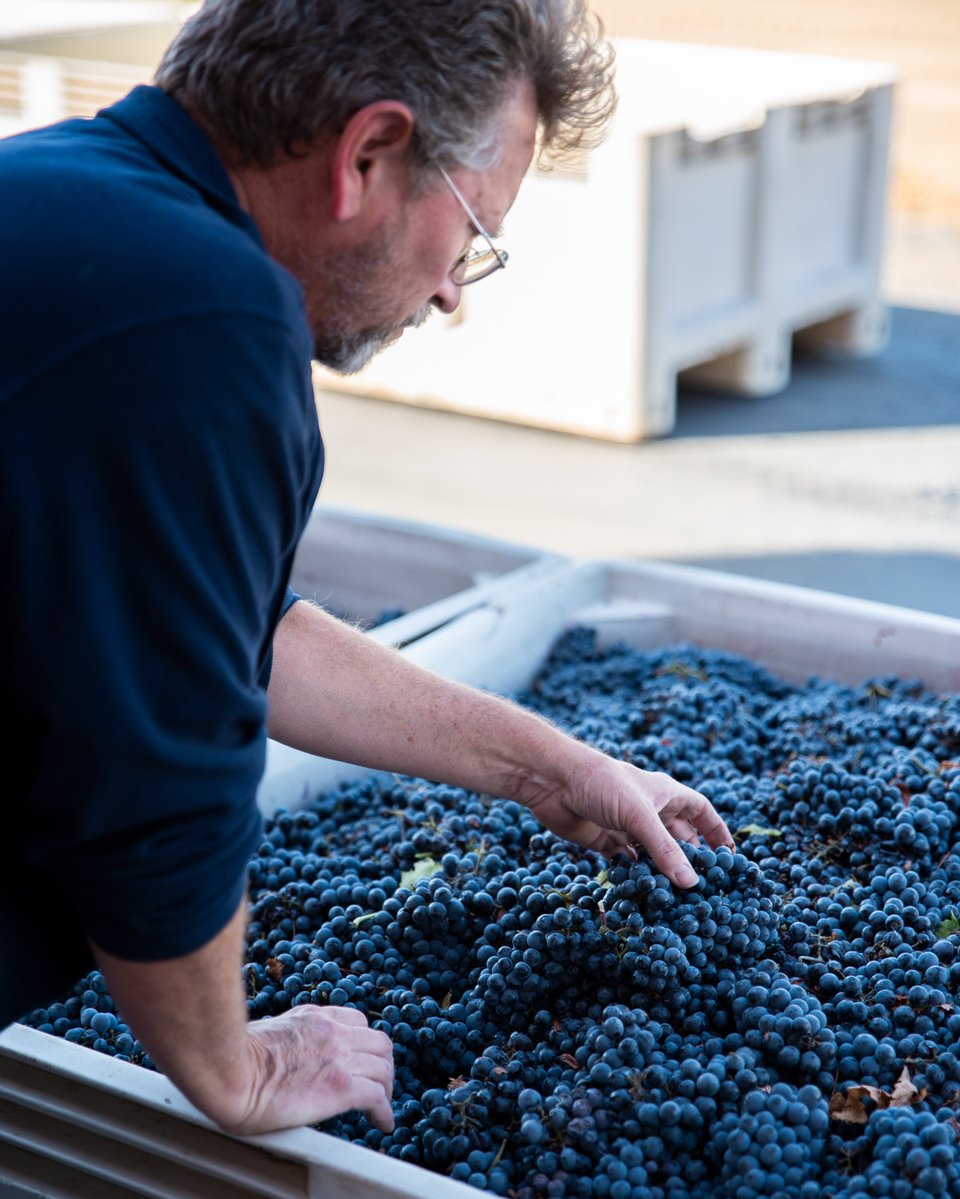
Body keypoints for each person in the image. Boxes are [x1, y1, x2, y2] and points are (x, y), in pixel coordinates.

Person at [0, 0, 734, 1138]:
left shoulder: (57, 194)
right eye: (473, 235)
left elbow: (236, 631)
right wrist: (228, 1067)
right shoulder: (198, 312)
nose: (450, 294)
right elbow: (159, 780)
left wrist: (552, 769)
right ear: (369, 155)